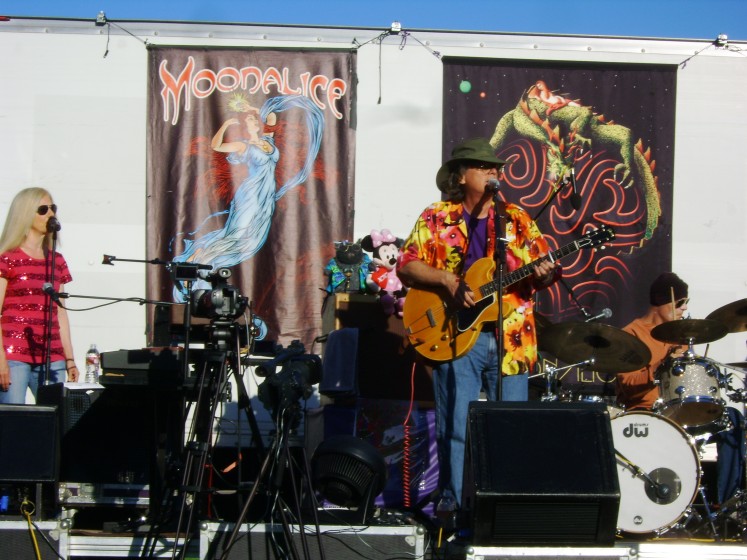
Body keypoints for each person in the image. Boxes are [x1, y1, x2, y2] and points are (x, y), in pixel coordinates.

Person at [397, 138, 559, 510]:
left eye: (496, 167)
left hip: (511, 338)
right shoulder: (436, 217)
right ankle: (452, 501)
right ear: (460, 175)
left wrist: (547, 273)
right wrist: (447, 281)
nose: (493, 171)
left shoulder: (516, 220)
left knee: (509, 428)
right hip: (453, 333)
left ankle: (503, 504)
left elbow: (540, 272)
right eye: (484, 166)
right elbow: (406, 264)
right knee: (455, 425)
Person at [616, 272, 746, 506]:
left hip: (682, 409)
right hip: (649, 413)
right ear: (661, 303)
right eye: (680, 303)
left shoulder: (680, 336)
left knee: (733, 420)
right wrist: (661, 364)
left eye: (686, 303)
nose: (684, 309)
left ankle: (726, 505)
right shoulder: (631, 334)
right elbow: (628, 385)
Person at [0, 187, 78, 404]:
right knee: (14, 421)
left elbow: (60, 313)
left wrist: (69, 358)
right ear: (25, 214)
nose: (51, 214)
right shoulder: (7, 258)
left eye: (53, 208)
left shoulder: (57, 261)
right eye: (43, 209)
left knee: (55, 420)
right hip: (14, 354)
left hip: (51, 356)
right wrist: (0, 360)